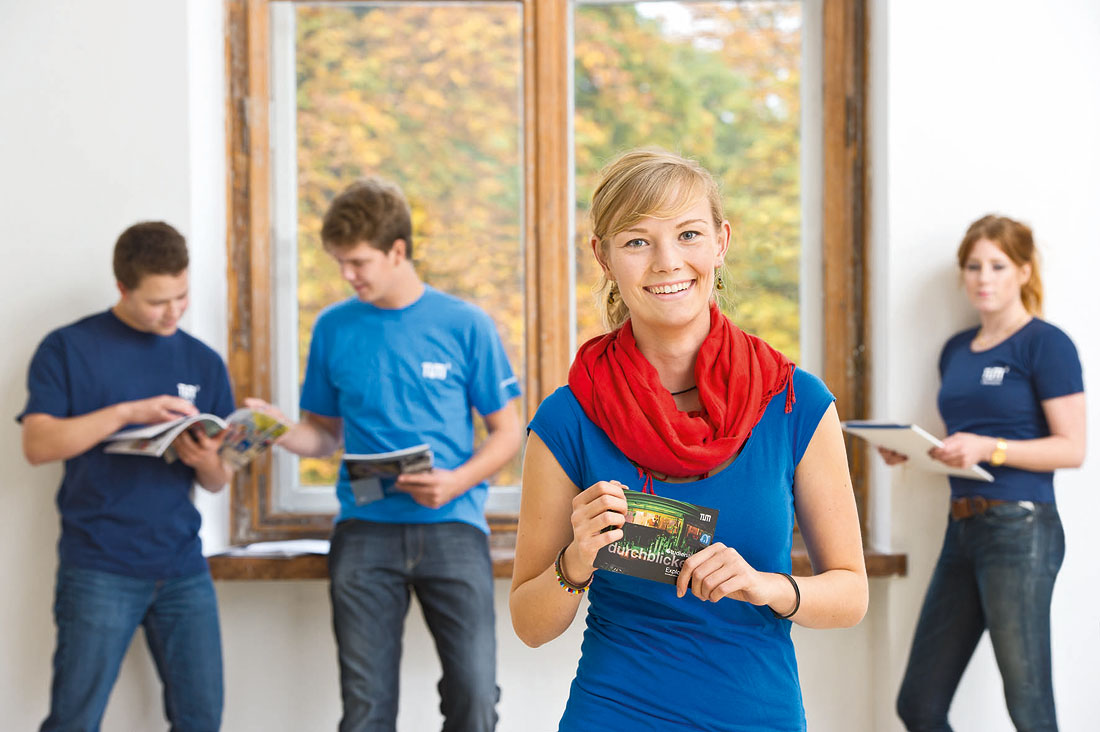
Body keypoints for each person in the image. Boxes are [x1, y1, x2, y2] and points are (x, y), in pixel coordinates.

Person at [509, 149, 868, 731]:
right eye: (637, 241)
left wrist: (766, 586)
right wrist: (576, 559)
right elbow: (530, 624)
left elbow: (851, 595)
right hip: (615, 713)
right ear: (602, 257)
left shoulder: (795, 402)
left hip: (757, 715)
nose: (667, 262)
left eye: (689, 234)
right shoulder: (569, 418)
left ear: (721, 242)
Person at [247, 177, 522, 732]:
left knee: (474, 697)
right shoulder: (332, 328)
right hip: (364, 533)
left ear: (398, 251)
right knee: (366, 709)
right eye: (340, 263)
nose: (348, 276)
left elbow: (509, 432)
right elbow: (323, 437)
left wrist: (456, 481)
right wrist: (274, 429)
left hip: (453, 527)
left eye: (358, 262)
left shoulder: (465, 324)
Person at [19, 221, 235, 732]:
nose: (174, 312)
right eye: (158, 301)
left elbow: (218, 479)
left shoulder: (203, 361)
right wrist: (125, 414)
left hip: (183, 567)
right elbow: (37, 445)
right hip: (98, 567)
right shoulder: (68, 348)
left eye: (182, 295)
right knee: (75, 719)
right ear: (122, 287)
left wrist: (203, 459)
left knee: (202, 719)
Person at [891, 215, 1086, 732]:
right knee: (919, 704)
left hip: (1021, 529)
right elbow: (961, 448)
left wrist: (990, 447)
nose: (983, 277)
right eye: (973, 266)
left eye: (997, 265)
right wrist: (912, 452)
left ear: (1023, 272)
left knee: (1028, 705)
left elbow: (1073, 449)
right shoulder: (955, 350)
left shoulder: (1046, 344)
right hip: (962, 528)